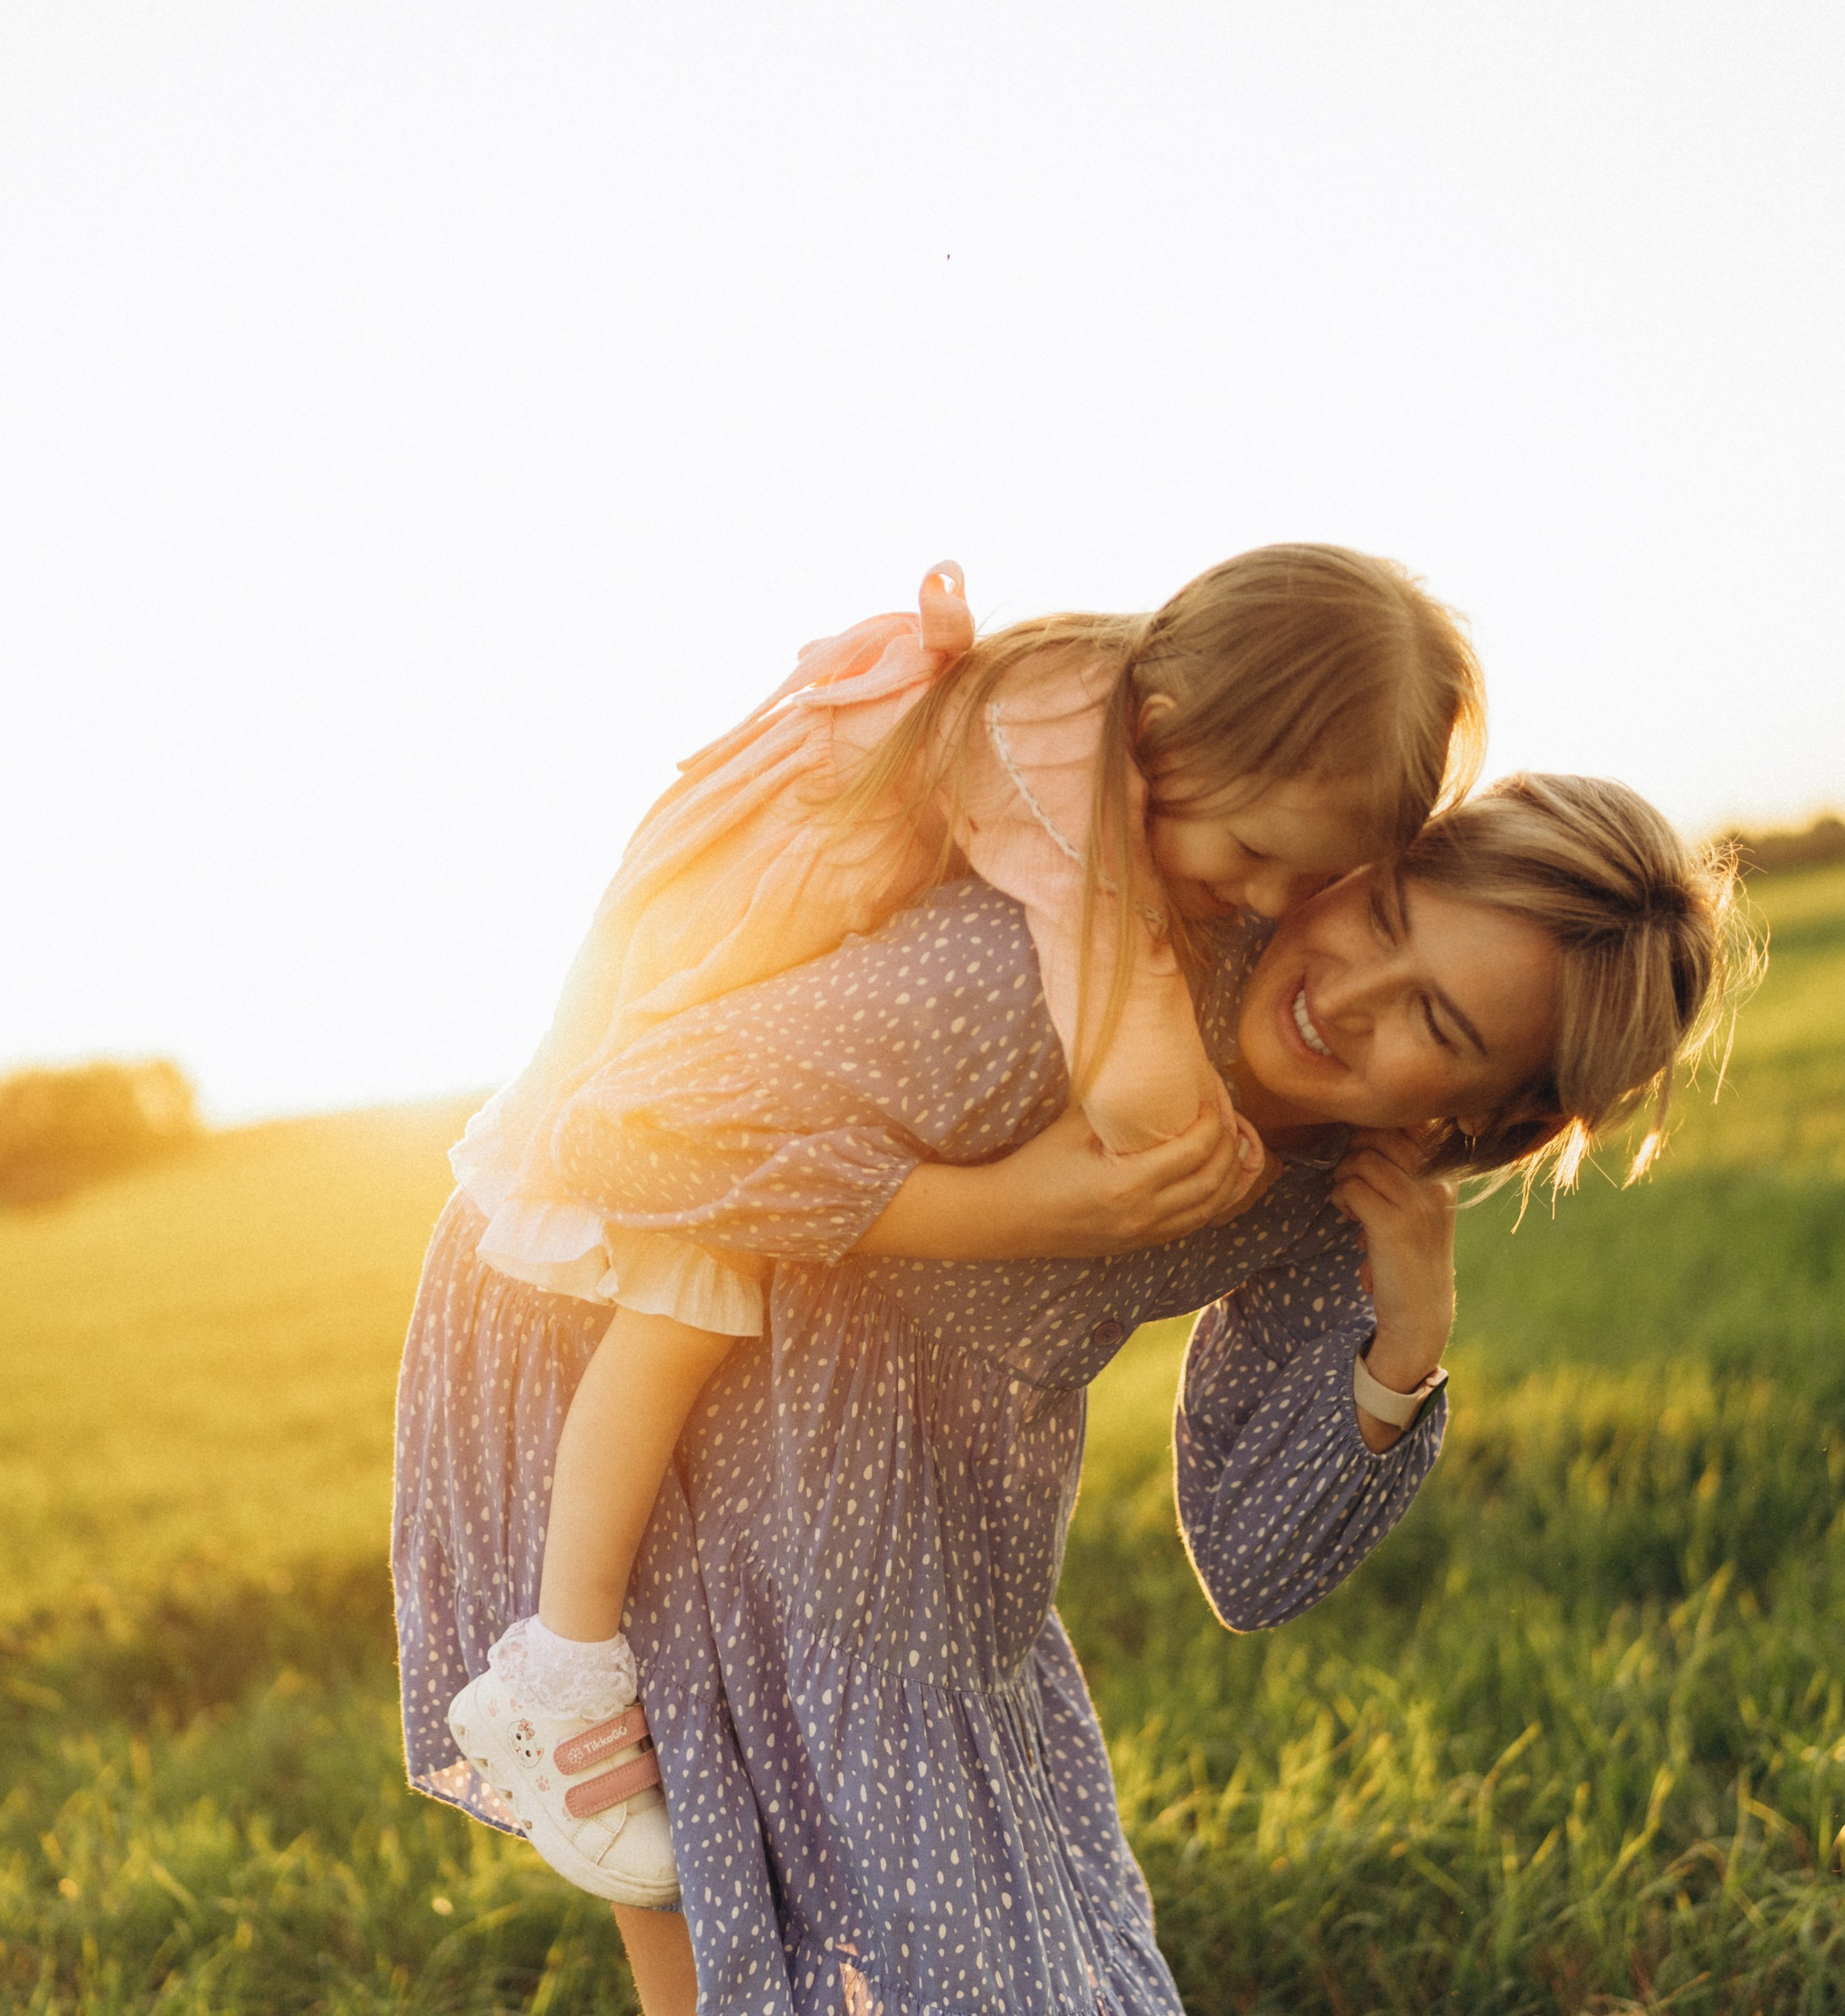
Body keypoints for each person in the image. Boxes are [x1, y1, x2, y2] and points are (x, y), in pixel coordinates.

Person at [395, 773, 1743, 2014]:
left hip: (926, 1518)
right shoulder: (1083, 973)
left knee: (964, 1934)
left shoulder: (1354, 1189)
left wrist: (1406, 1342)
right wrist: (1002, 1208)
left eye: (1435, 1024)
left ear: (1490, 1116)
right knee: (704, 1868)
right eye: (1382, 915)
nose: (1352, 994)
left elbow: (1253, 1564)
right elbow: (616, 1125)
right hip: (668, 1381)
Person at [441, 550, 1486, 1903]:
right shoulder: (1060, 769)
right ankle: (556, 1674)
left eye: (1319, 881)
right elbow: (1130, 1049)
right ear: (1171, 737)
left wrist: (1399, 1326)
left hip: (767, 1016)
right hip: (700, 998)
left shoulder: (1112, 730)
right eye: (1257, 860)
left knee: (704, 1292)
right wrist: (1122, 1173)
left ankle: (570, 1671)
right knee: (691, 1297)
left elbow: (1257, 1561)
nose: (1275, 907)